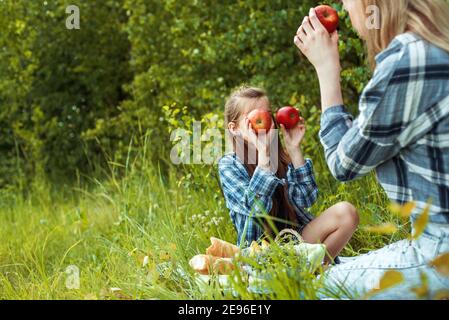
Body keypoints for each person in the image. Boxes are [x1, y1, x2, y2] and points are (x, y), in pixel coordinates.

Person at [294, 0, 449, 298]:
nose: (343, 5)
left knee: (299, 286)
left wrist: (327, 71)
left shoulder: (410, 59)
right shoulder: (436, 45)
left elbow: (344, 164)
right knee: (333, 266)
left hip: (438, 257)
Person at [218, 86, 359, 264]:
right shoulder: (229, 165)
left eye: (267, 114)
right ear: (235, 128)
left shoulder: (281, 156)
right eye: (253, 116)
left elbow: (306, 199)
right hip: (260, 255)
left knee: (346, 212)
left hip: (296, 243)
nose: (264, 120)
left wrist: (294, 150)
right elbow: (255, 209)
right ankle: (305, 272)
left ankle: (314, 270)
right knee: (263, 256)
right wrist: (264, 159)